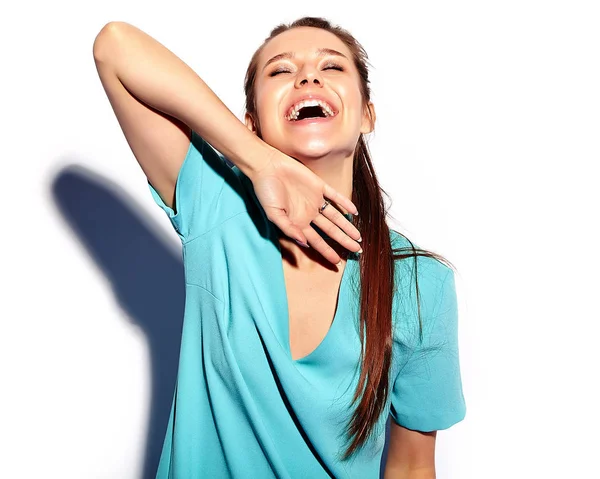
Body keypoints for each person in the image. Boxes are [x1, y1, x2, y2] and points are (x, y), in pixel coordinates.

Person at [93, 16, 466, 478]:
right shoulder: (216, 205)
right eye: (280, 71)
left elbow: (411, 468)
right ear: (251, 123)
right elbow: (115, 47)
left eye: (331, 67)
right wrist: (256, 161)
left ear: (367, 114)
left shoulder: (419, 283)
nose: (308, 76)